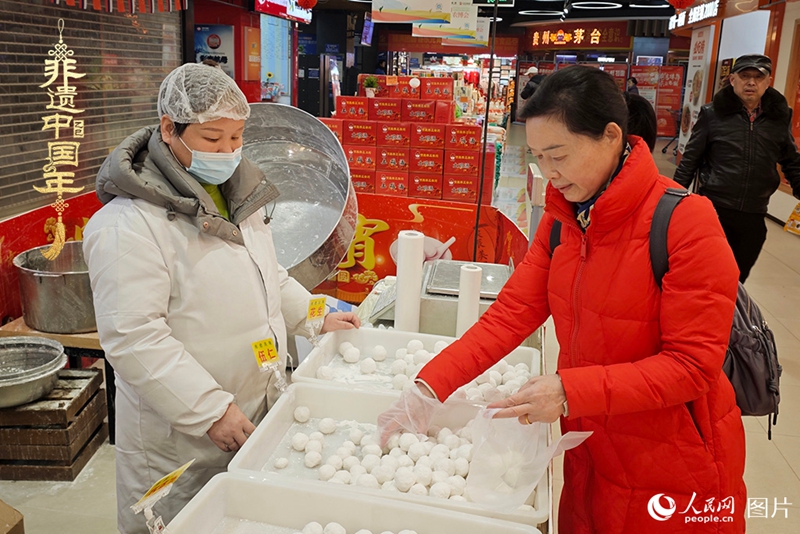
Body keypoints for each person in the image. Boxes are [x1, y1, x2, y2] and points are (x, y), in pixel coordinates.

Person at [378, 66, 746, 533]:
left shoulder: (685, 223)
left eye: (559, 155)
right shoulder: (563, 222)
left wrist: (571, 391)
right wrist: (426, 389)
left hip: (670, 466)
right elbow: (511, 314)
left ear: (612, 137)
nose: (548, 173)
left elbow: (693, 366)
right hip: (588, 448)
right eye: (537, 157)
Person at [83, 63, 359, 533]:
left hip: (250, 408)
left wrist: (316, 317)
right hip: (179, 436)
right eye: (213, 139)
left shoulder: (238, 196)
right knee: (178, 521)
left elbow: (266, 275)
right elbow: (134, 338)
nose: (228, 151)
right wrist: (209, 408)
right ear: (169, 129)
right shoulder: (128, 226)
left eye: (236, 138)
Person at [674, 54, 800, 282]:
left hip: (755, 214)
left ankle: (728, 316)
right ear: (732, 80)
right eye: (745, 76)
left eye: (758, 77)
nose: (751, 82)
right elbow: (690, 160)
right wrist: (672, 201)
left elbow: (791, 161)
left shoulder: (779, 117)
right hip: (714, 209)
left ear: (768, 81)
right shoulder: (712, 114)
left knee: (736, 280)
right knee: (705, 275)